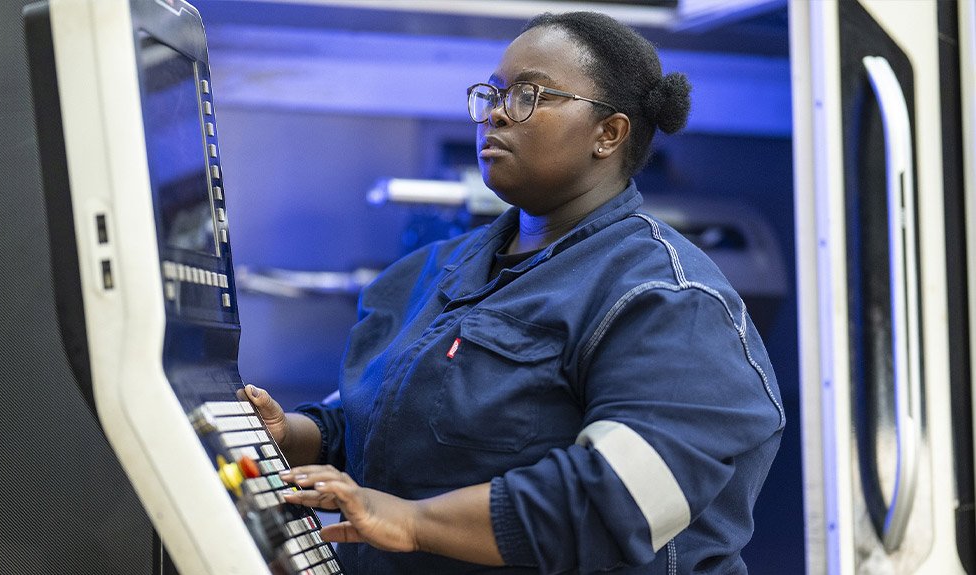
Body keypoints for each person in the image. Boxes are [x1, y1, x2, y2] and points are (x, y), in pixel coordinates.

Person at [246, 10, 784, 574]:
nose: (497, 112)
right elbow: (378, 429)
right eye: (493, 93)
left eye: (530, 94)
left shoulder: (669, 298)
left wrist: (410, 522)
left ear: (609, 133)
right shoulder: (429, 273)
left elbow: (613, 501)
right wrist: (294, 435)